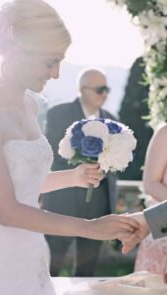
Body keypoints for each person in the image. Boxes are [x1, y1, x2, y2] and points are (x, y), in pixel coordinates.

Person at [0, 0, 139, 295]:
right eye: (51, 61)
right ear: (21, 50)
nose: (56, 73)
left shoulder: (30, 106)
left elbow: (20, 184)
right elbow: (7, 210)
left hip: (30, 259)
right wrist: (90, 226)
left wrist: (73, 178)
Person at [41, 68, 117, 277]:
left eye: (107, 89)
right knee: (51, 267)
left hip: (97, 205)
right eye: (100, 89)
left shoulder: (112, 119)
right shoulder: (58, 113)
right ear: (82, 89)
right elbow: (52, 155)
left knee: (87, 271)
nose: (104, 94)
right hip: (62, 203)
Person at [122, 123, 167, 275]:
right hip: (162, 232)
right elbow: (150, 183)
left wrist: (149, 219)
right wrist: (152, 219)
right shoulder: (165, 132)